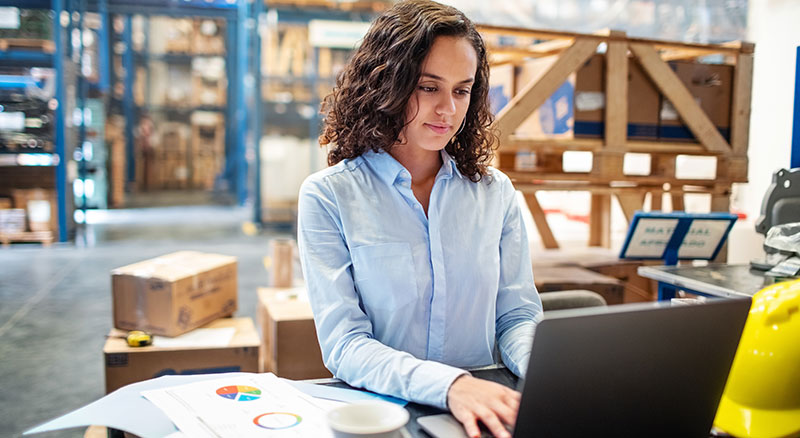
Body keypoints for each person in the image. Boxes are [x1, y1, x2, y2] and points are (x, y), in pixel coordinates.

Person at [296, 1, 543, 437]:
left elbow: (516, 316)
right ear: (386, 84)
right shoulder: (329, 196)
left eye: (462, 90)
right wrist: (451, 386)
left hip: (485, 409)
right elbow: (345, 345)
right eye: (429, 88)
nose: (448, 108)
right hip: (383, 417)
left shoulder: (495, 193)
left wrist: (544, 370)